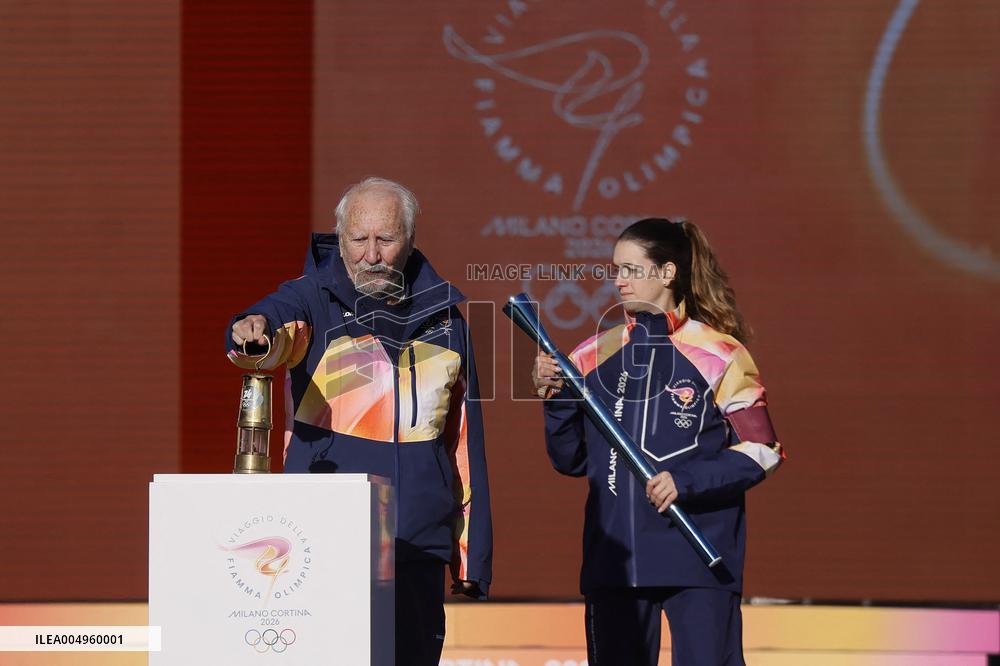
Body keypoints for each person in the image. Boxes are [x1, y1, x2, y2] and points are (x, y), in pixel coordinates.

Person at [227, 177, 492, 666]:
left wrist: (471, 553)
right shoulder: (310, 300)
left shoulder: (449, 320)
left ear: (410, 241)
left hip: (416, 542)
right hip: (324, 544)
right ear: (341, 238)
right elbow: (271, 325)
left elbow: (462, 445)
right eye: (358, 239)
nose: (372, 255)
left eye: (386, 239)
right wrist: (252, 329)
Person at [532, 217, 784, 666]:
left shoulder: (720, 353)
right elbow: (570, 460)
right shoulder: (591, 355)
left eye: (631, 269)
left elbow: (763, 450)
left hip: (698, 558)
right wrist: (555, 399)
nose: (618, 281)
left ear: (668, 273)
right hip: (616, 566)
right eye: (615, 269)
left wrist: (685, 481)